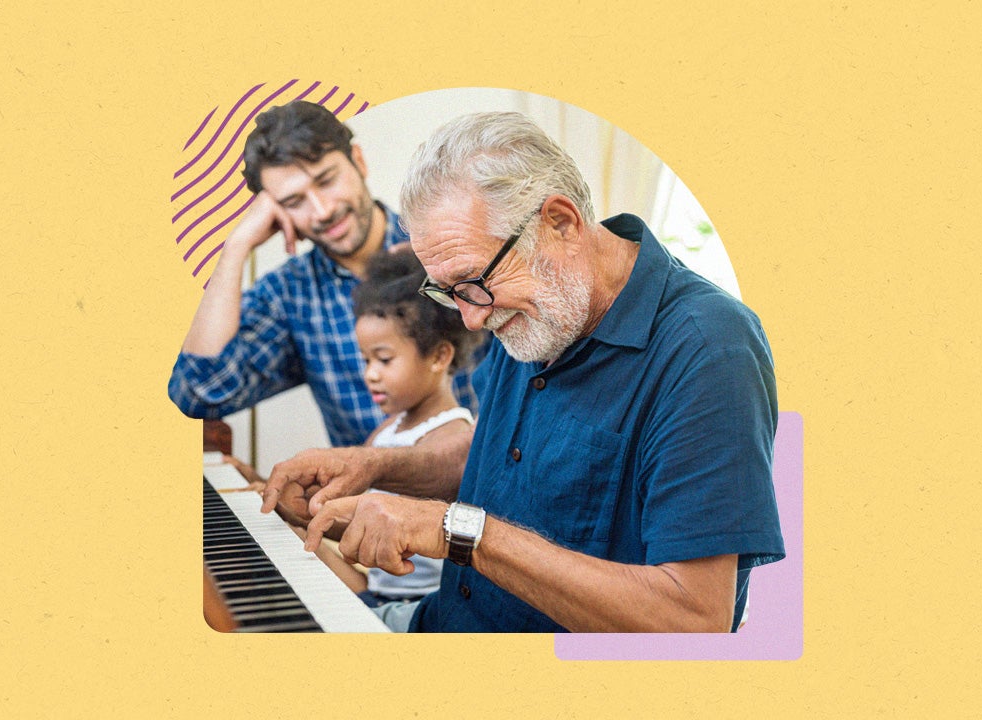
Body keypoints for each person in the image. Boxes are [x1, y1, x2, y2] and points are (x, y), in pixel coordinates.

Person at [264, 111, 785, 633]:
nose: (470, 317)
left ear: (560, 221)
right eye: (447, 291)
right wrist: (377, 467)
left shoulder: (708, 347)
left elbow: (693, 621)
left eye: (473, 283)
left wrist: (456, 531)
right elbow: (501, 457)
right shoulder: (540, 311)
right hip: (445, 620)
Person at [168, 100, 479, 449]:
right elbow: (198, 394)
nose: (322, 211)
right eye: (293, 201)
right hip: (362, 499)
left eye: (326, 180)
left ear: (358, 161)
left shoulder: (441, 247)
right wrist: (235, 248)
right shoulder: (290, 294)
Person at [347, 249, 483, 607]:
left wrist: (305, 510)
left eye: (384, 359)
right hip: (379, 589)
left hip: (418, 603)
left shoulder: (452, 436)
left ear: (439, 356)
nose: (370, 374)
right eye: (366, 360)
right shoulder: (388, 430)